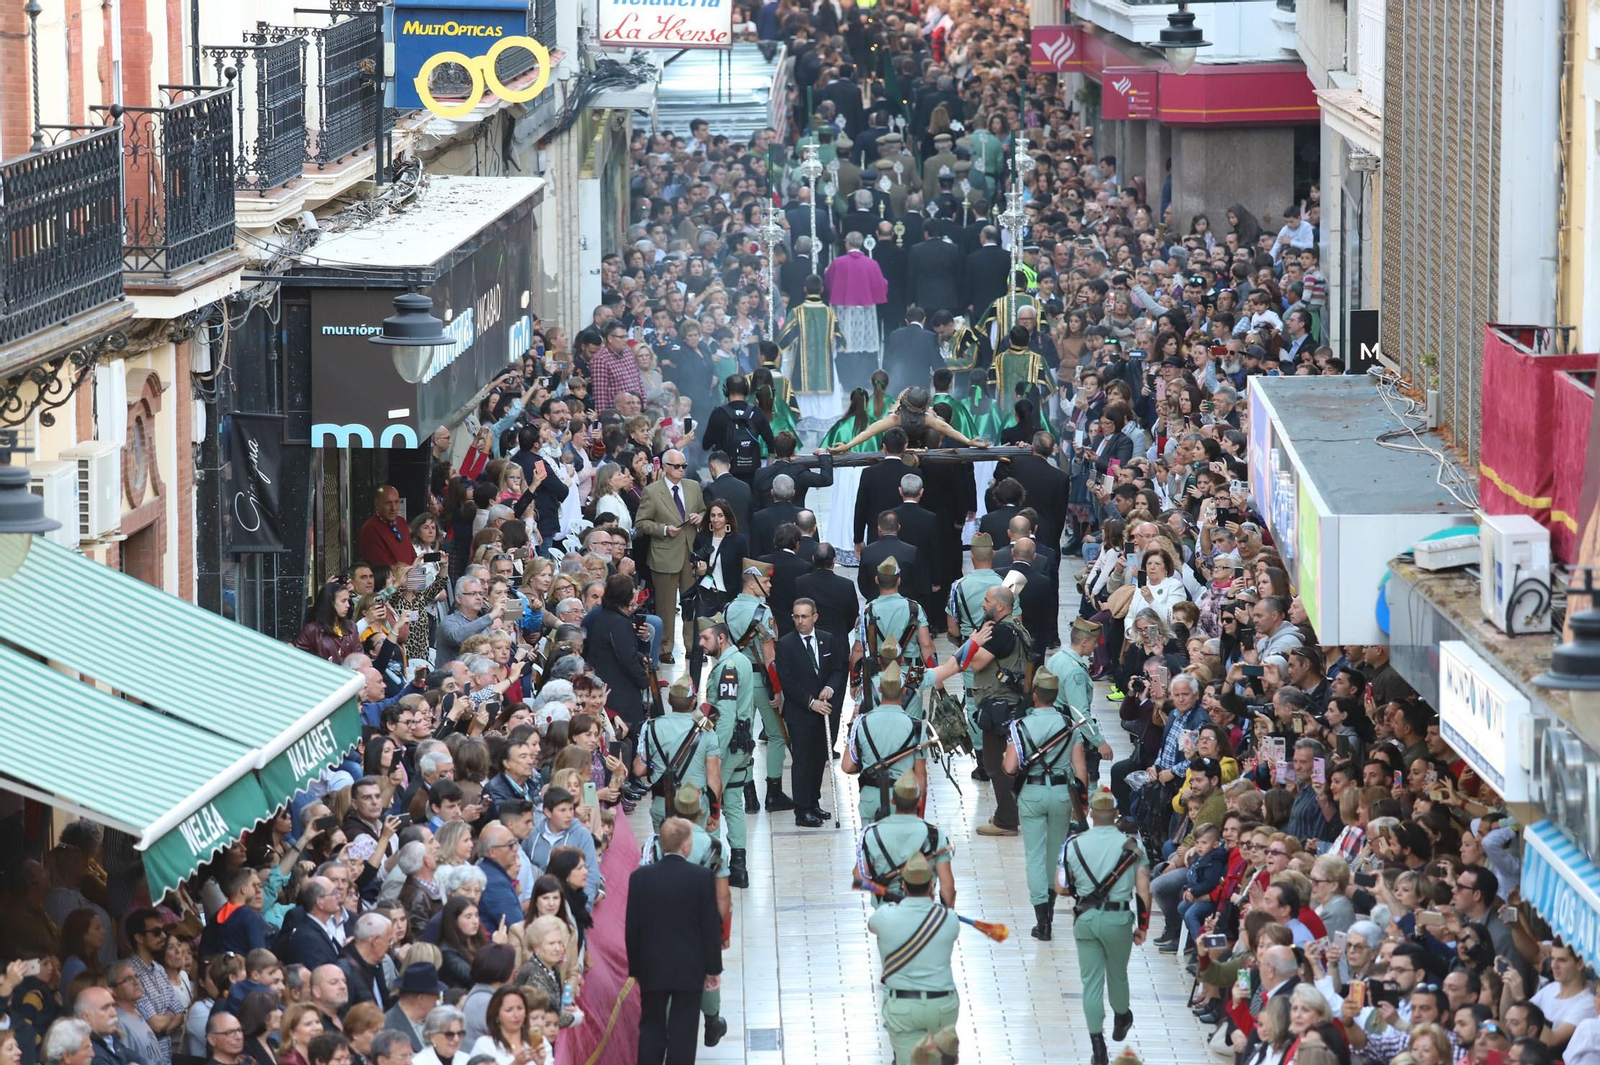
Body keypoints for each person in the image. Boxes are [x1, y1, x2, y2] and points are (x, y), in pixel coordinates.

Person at [1057, 789, 1151, 1065]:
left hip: (1085, 920)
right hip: (1118, 919)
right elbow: (1144, 891)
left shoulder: (1072, 845)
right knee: (1118, 975)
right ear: (1116, 815)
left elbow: (1060, 887)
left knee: (1091, 984)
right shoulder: (1133, 847)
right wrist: (1143, 926)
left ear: (1091, 814)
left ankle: (1097, 1046)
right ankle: (1122, 1015)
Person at [625, 818, 725, 1064]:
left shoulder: (640, 878)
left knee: (650, 1026)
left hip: (652, 966)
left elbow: (632, 926)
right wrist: (713, 968)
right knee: (684, 1030)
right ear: (685, 846)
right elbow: (709, 926)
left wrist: (635, 968)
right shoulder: (701, 877)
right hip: (689, 968)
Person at [1004, 666, 1086, 942]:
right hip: (1062, 793)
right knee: (1055, 855)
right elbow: (1081, 771)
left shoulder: (1020, 726)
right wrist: (1081, 805)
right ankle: (1051, 910)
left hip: (1033, 792)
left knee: (1035, 857)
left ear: (1036, 694)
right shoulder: (1068, 724)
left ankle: (1043, 922)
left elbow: (1009, 767)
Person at [868, 852, 960, 1065]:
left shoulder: (885, 916)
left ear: (903, 886)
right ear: (931, 886)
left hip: (903, 1006)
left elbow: (872, 926)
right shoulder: (948, 919)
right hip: (942, 1005)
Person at [724, 559, 792, 813]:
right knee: (775, 735)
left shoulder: (728, 608)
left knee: (743, 736)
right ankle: (773, 793)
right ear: (752, 584)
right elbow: (770, 658)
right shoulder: (764, 613)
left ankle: (749, 795)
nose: (770, 585)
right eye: (765, 582)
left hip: (737, 680)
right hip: (760, 681)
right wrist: (778, 689)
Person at [773, 597, 847, 826]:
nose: (799, 621)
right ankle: (802, 809)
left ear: (815, 617)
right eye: (796, 616)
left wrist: (830, 687)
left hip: (824, 711)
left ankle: (814, 802)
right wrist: (810, 702)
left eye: (804, 616)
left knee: (819, 759)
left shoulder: (827, 640)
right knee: (802, 761)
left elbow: (837, 669)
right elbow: (788, 680)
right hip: (801, 713)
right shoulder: (785, 644)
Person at [697, 615, 756, 887]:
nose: (701, 643)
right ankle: (739, 869)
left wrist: (715, 753)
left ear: (721, 638)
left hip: (727, 746)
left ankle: (715, 867)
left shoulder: (727, 667)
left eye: (705, 638)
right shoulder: (741, 661)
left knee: (712, 803)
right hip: (741, 746)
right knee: (733, 804)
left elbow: (727, 713)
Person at [635, 449, 706, 665]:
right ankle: (665, 647)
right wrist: (664, 529)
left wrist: (699, 517)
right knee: (666, 605)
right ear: (665, 467)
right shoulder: (652, 491)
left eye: (684, 466)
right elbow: (641, 523)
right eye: (677, 466)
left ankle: (694, 646)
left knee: (691, 603)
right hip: (664, 554)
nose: (682, 470)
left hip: (690, 554)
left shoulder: (693, 487)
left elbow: (704, 510)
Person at [632, 675, 722, 830]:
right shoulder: (706, 730)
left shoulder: (651, 727)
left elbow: (639, 769)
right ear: (693, 701)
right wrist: (715, 814)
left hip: (663, 803)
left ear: (669, 701)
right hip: (694, 805)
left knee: (665, 852)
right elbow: (713, 780)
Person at [360, 487, 417, 568]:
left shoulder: (401, 522)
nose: (393, 508)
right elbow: (380, 563)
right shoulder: (370, 528)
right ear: (377, 504)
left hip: (410, 576)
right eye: (388, 503)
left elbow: (411, 553)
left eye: (396, 502)